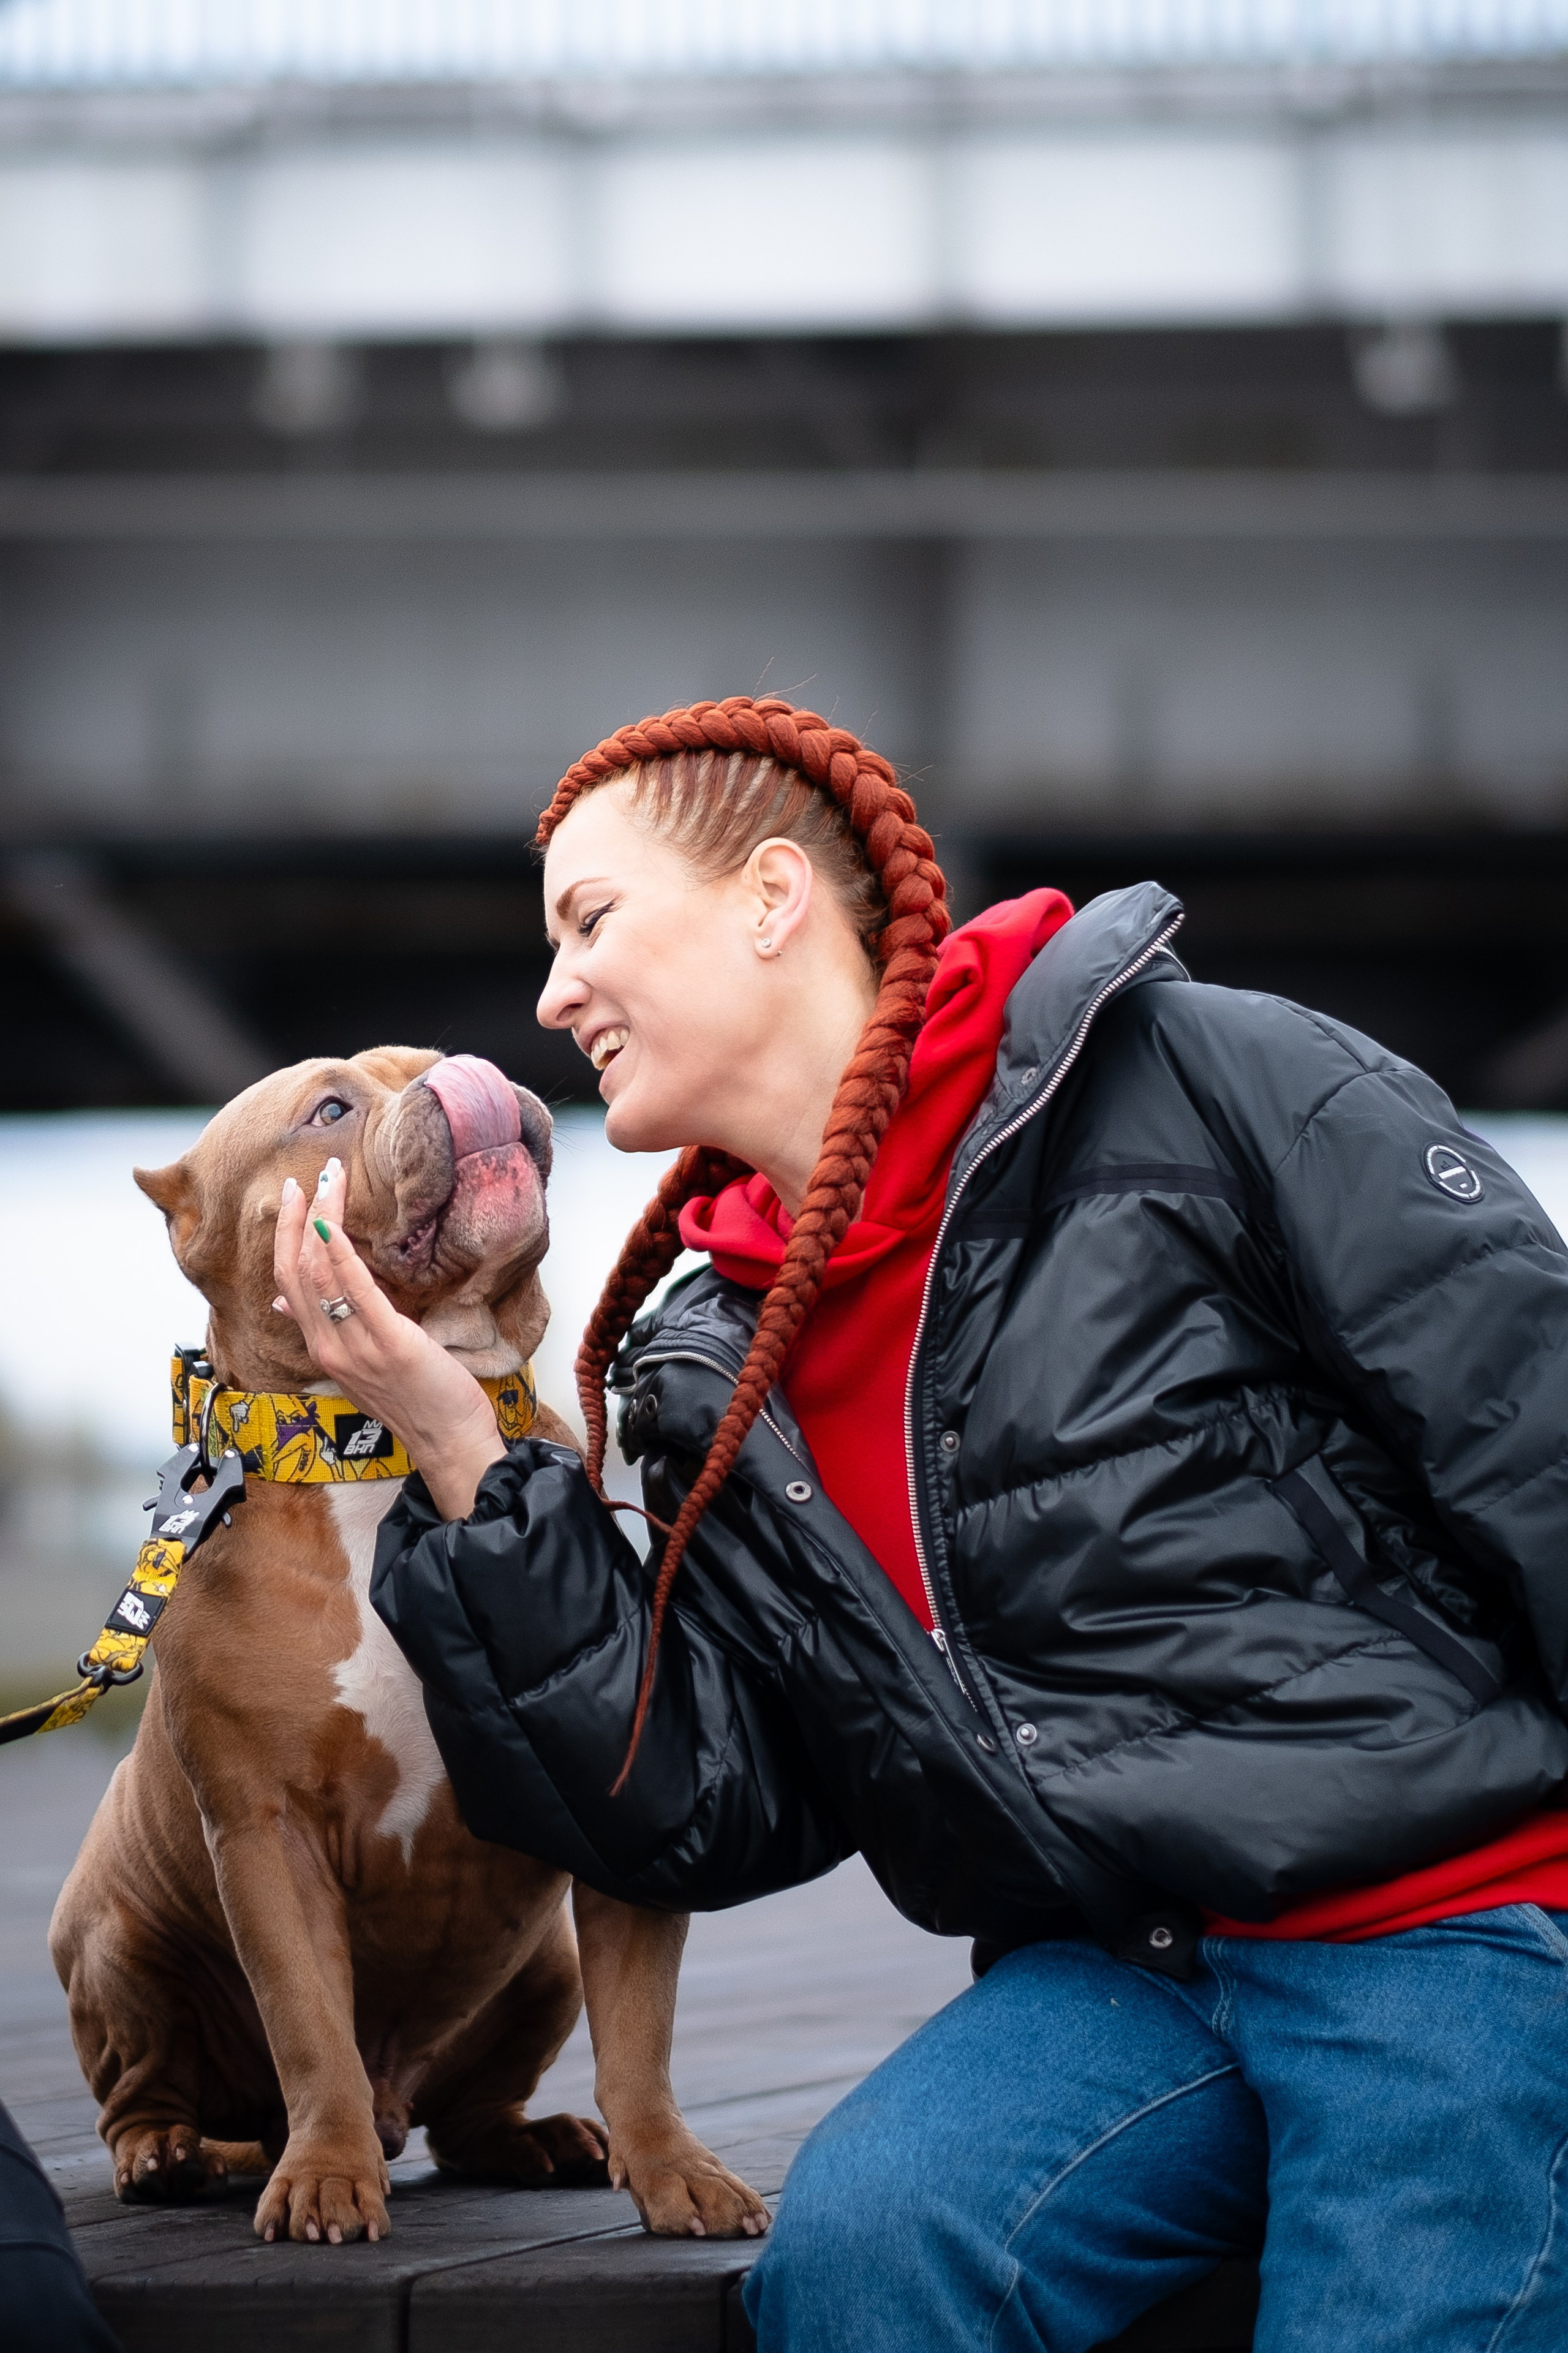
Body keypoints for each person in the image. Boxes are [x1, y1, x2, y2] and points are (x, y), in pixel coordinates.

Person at [274, 697, 1568, 2352]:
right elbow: (707, 1800)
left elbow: (1535, 1442)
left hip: (1453, 1923)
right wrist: (463, 1449)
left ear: (768, 898)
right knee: (865, 2264)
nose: (550, 995)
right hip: (1128, 1970)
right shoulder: (710, 1353)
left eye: (590, 920)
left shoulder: (1208, 1079)